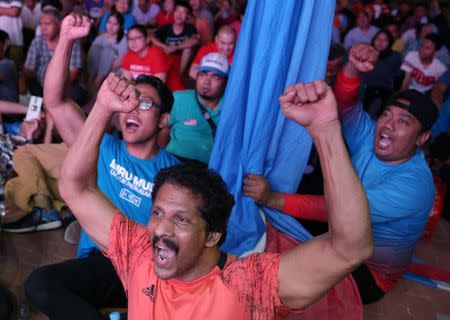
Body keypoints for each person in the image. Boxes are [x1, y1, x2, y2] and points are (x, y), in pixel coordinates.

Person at [56, 69, 373, 318]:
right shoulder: (140, 252)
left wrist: (327, 130)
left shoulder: (248, 284)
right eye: (158, 213)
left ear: (212, 236)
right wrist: (102, 107)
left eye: (181, 219)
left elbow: (349, 249)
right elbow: (75, 187)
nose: (161, 229)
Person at [244, 43, 438, 304]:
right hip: (336, 228)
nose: (388, 126)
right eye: (386, 115)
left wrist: (271, 198)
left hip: (367, 272)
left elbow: (336, 210)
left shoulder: (415, 186)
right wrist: (352, 68)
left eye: (403, 122)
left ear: (422, 138)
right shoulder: (371, 135)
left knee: (274, 285)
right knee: (267, 224)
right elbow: (345, 108)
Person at [24, 13, 179, 318]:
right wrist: (67, 38)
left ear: (163, 121)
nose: (133, 107)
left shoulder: (175, 174)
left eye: (145, 103)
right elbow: (54, 100)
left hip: (148, 268)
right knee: (40, 285)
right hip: (102, 263)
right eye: (130, 98)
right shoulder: (102, 147)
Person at [159, 52, 228, 164]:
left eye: (215, 77)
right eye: (203, 74)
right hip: (174, 161)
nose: (207, 81)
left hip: (208, 169)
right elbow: (164, 129)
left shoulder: (231, 107)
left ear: (225, 82)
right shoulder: (179, 98)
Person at [20, 8, 85, 105]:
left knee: (73, 95)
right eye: (41, 24)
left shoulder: (73, 42)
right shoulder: (37, 41)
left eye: (47, 24)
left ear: (59, 25)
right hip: (41, 84)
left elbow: (73, 73)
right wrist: (23, 78)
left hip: (65, 85)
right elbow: (29, 67)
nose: (43, 28)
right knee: (30, 90)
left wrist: (54, 90)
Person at [152, 0, 199, 90]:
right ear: (173, 12)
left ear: (187, 16)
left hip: (183, 62)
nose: (179, 15)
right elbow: (151, 38)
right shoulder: (166, 28)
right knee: (156, 49)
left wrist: (176, 47)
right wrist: (165, 47)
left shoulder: (190, 28)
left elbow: (195, 40)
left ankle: (180, 75)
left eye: (183, 12)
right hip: (167, 59)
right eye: (178, 11)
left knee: (188, 48)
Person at [362, 30, 402, 117]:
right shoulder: (365, 53)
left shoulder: (395, 57)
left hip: (383, 92)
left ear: (390, 42)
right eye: (378, 39)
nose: (380, 42)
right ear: (373, 40)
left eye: (384, 40)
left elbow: (397, 77)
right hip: (363, 89)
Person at [87, 11, 128, 92]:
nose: (111, 26)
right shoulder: (100, 38)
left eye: (115, 24)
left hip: (113, 71)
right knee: (96, 47)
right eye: (109, 22)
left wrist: (106, 70)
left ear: (120, 26)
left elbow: (119, 62)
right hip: (95, 70)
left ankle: (97, 82)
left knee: (108, 50)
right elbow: (90, 57)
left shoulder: (124, 40)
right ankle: (89, 80)